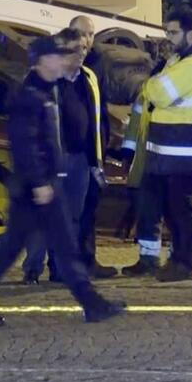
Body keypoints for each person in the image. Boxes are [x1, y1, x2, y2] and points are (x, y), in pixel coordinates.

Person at [0, 34, 125, 326]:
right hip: (35, 189)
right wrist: (39, 183)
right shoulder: (29, 95)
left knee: (59, 245)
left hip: (45, 185)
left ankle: (91, 304)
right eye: (54, 56)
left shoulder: (46, 91)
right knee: (15, 249)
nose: (60, 61)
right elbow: (24, 144)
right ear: (40, 62)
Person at [120, 6, 192, 282]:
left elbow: (156, 92)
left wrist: (151, 83)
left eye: (173, 32)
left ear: (191, 35)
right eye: (167, 31)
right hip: (168, 151)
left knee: (181, 209)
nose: (168, 37)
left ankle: (185, 264)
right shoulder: (181, 60)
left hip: (181, 151)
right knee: (162, 206)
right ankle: (164, 261)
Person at [21, 23, 116, 283]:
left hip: (80, 161)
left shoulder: (88, 78)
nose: (82, 54)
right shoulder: (42, 78)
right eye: (76, 50)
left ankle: (60, 268)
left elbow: (97, 119)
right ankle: (33, 267)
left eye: (85, 48)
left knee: (71, 218)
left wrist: (96, 159)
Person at [70, 15, 118, 279]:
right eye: (81, 34)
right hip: (72, 150)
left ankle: (87, 260)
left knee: (88, 207)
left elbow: (101, 107)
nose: (86, 40)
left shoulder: (97, 63)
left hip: (93, 149)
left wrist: (103, 142)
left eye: (90, 34)